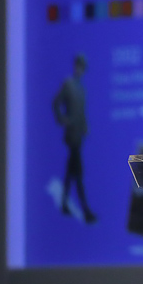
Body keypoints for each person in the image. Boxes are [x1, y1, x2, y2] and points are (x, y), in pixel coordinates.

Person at [53, 54, 96, 224]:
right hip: (71, 136)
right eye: (78, 66)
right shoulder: (68, 84)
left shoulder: (81, 88)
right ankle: (85, 211)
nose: (79, 69)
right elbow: (56, 102)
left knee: (70, 172)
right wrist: (63, 120)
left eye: (82, 67)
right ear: (75, 66)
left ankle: (64, 203)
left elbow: (81, 112)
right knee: (78, 173)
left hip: (79, 136)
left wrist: (85, 126)